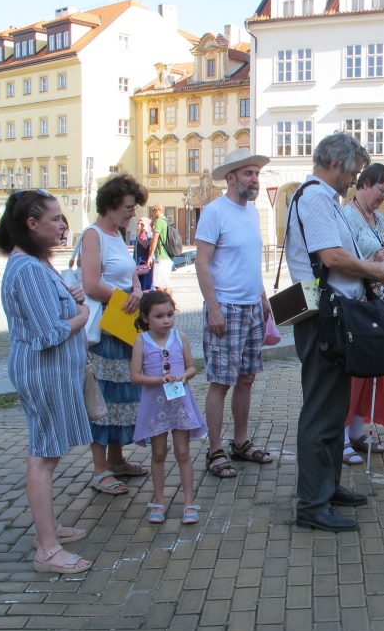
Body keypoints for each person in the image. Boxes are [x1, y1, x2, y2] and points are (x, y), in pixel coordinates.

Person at [285, 132, 384, 532]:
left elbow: (336, 255)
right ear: (335, 162)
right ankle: (312, 504)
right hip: (321, 316)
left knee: (333, 407)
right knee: (321, 409)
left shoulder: (324, 199)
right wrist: (375, 270)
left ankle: (327, 488)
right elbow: (331, 258)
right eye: (353, 170)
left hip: (325, 311)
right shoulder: (315, 197)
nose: (355, 178)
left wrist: (367, 264)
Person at [0, 189, 93, 574]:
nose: (62, 225)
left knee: (47, 452)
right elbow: (47, 335)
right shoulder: (29, 269)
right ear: (31, 225)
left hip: (50, 372)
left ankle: (49, 530)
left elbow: (48, 313)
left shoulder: (35, 264)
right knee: (44, 457)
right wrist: (82, 315)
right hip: (43, 372)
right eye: (54, 219)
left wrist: (71, 298)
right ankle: (47, 549)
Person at [194, 148, 275, 478]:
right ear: (231, 178)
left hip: (253, 307)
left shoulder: (252, 213)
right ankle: (215, 451)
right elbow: (202, 262)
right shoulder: (215, 212)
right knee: (220, 382)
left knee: (246, 379)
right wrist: (213, 308)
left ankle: (240, 443)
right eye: (248, 174)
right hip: (225, 308)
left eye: (256, 173)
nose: (254, 179)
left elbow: (249, 261)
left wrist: (264, 296)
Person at [80, 174, 148, 496]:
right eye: (128, 207)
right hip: (106, 330)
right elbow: (91, 284)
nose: (133, 213)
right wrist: (124, 298)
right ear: (111, 205)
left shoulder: (117, 234)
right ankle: (100, 469)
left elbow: (129, 274)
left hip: (123, 326)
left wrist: (135, 289)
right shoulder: (93, 235)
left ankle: (118, 459)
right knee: (104, 398)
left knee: (123, 396)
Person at [341, 163, 384, 464]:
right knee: (354, 372)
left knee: (372, 372)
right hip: (357, 305)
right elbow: (340, 257)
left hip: (381, 305)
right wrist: (372, 260)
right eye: (382, 190)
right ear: (365, 183)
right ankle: (340, 438)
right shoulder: (347, 216)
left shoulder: (378, 218)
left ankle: (357, 431)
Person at [131, 290, 207, 525]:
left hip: (179, 402)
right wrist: (157, 381)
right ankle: (159, 501)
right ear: (145, 318)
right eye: (159, 316)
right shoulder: (141, 341)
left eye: (169, 315)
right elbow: (135, 376)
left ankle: (188, 501)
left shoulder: (180, 337)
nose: (166, 320)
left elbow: (191, 367)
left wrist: (184, 376)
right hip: (155, 405)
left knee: (183, 453)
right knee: (159, 453)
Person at [148, 203, 173, 294]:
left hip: (160, 256)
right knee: (167, 285)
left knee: (158, 286)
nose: (152, 213)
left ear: (157, 210)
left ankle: (163, 306)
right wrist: (153, 221)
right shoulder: (165, 221)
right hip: (167, 257)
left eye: (153, 210)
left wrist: (150, 256)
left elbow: (154, 241)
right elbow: (151, 226)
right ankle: (171, 306)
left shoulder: (159, 222)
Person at [134, 217, 153, 292]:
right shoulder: (139, 236)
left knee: (146, 286)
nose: (139, 226)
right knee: (139, 285)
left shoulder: (149, 235)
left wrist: (146, 230)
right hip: (138, 264)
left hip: (146, 265)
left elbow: (150, 247)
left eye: (142, 224)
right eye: (139, 224)